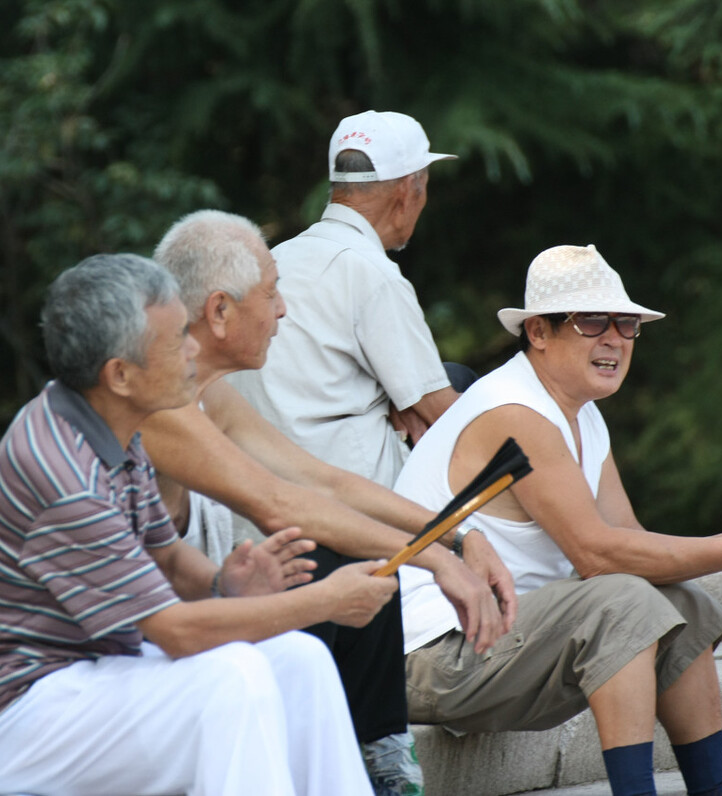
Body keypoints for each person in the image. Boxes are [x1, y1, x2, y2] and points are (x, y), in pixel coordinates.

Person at [0, 253, 398, 796]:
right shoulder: (64, 475)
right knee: (233, 678)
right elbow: (176, 632)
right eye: (178, 339)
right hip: (11, 724)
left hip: (88, 677)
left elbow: (170, 560)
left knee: (301, 659)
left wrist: (224, 585)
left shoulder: (114, 427)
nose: (195, 348)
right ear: (121, 375)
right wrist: (326, 601)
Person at [394, 244, 722, 796]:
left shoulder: (582, 414)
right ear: (539, 334)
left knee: (680, 603)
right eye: (592, 321)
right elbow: (596, 556)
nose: (614, 338)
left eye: (626, 323)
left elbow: (630, 542)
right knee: (623, 600)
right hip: (431, 656)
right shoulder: (514, 412)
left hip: (495, 641)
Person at [144, 210, 517, 796]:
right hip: (128, 653)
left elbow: (325, 483)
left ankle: (381, 760)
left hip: (183, 627)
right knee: (327, 566)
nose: (284, 310)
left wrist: (458, 535)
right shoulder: (156, 402)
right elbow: (279, 502)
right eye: (272, 293)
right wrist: (439, 560)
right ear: (219, 312)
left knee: (349, 564)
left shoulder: (205, 394)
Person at [228, 110, 460, 487]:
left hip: (252, 491)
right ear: (408, 190)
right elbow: (443, 411)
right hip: (341, 499)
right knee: (459, 393)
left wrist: (397, 400)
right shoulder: (371, 272)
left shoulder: (277, 256)